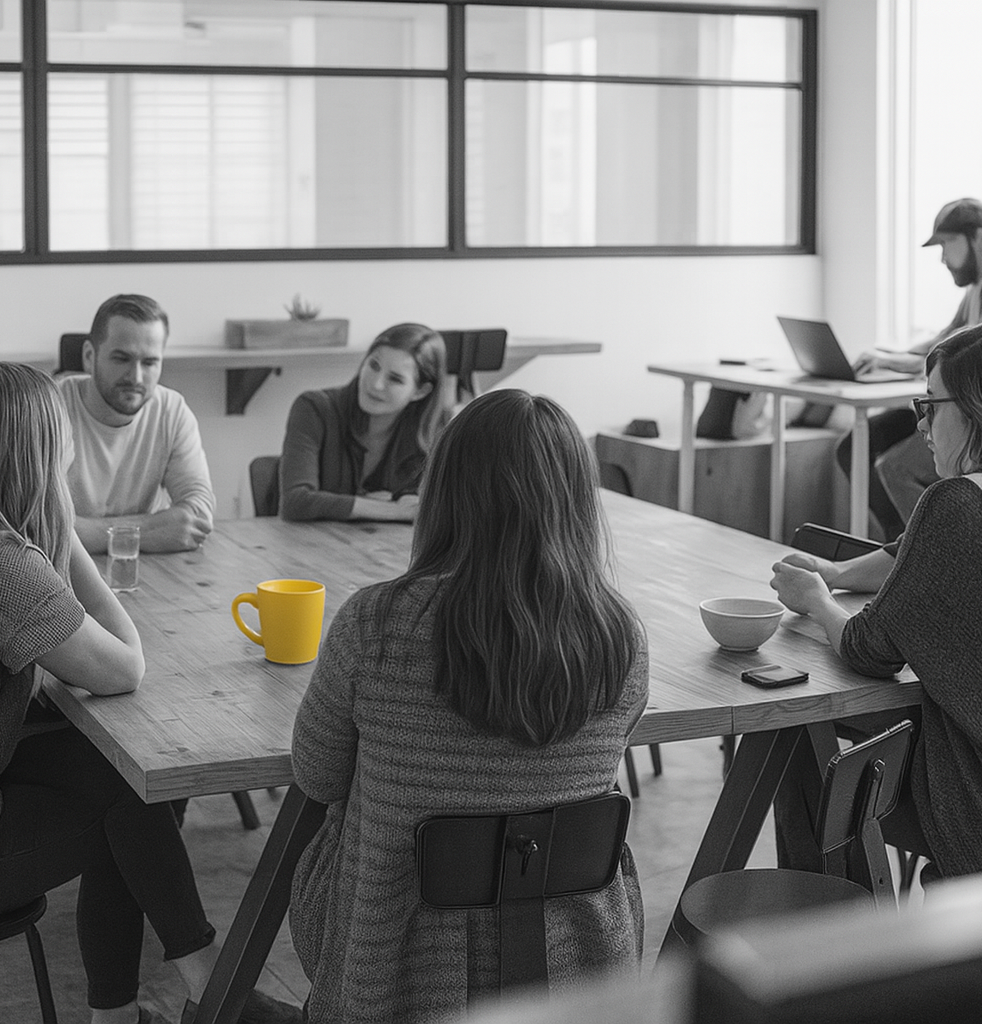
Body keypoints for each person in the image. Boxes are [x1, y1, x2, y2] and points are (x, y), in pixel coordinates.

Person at [289, 389, 649, 1024]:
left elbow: (316, 778)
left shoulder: (374, 623)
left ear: (444, 490)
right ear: (574, 501)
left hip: (394, 970)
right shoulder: (620, 634)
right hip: (572, 960)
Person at [0, 364, 298, 1024]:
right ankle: (214, 990)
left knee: (123, 778)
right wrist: (62, 529)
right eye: (63, 438)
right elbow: (125, 666)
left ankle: (170, 996)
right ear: (39, 451)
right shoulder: (8, 568)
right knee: (129, 792)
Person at [770, 323, 982, 880]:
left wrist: (818, 599)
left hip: (974, 814)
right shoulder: (960, 507)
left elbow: (870, 650)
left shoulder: (955, 502)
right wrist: (839, 572)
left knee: (799, 742)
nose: (921, 423)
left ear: (974, 408)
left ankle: (836, 936)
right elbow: (909, 552)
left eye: (930, 405)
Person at [836, 197, 982, 541]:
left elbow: (960, 362)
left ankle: (936, 548)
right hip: (941, 403)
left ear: (976, 236)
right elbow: (945, 341)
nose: (943, 258)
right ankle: (901, 540)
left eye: (947, 243)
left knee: (896, 466)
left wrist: (896, 361)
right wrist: (891, 355)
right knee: (855, 445)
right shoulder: (974, 291)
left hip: (964, 412)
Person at [59, 294, 215, 554]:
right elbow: (34, 530)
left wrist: (84, 532)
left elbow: (197, 516)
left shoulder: (172, 410)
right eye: (121, 359)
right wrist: (148, 533)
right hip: (59, 575)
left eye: (150, 362)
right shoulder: (48, 409)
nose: (136, 377)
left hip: (144, 572)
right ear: (89, 356)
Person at [279, 322, 452, 522]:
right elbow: (295, 503)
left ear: (420, 391)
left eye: (395, 379)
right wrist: (395, 510)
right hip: (307, 547)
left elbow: (435, 506)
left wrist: (401, 501)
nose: (376, 384)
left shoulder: (433, 429)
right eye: (373, 365)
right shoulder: (314, 408)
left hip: (382, 548)